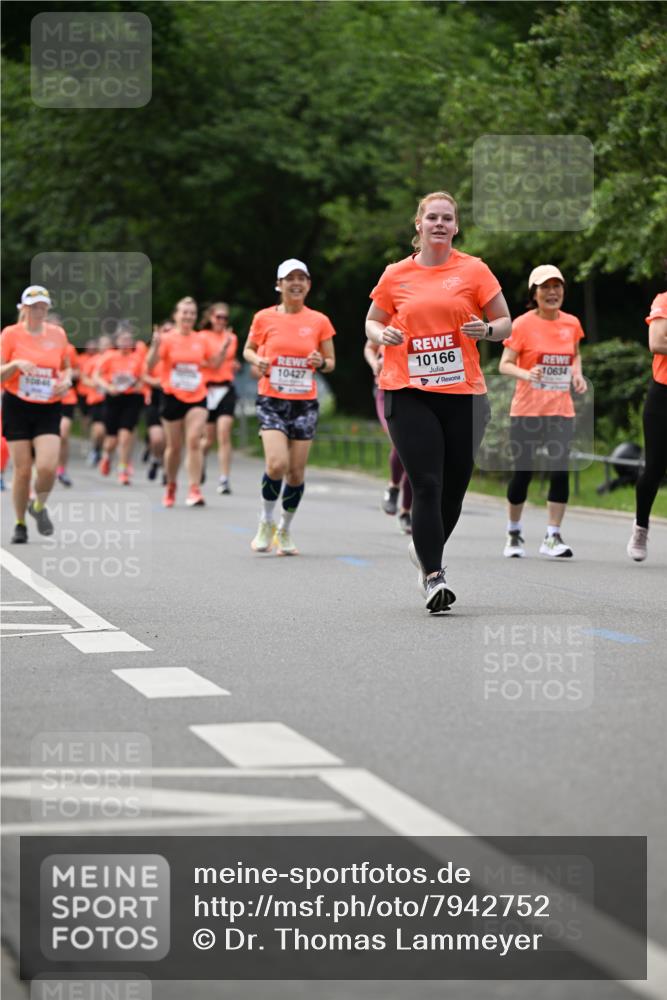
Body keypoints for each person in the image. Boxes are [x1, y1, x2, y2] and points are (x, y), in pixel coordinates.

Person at [365, 191, 511, 612]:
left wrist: (486, 330)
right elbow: (373, 322)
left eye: (448, 218)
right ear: (419, 224)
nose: (440, 224)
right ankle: (434, 576)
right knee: (427, 483)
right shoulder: (396, 274)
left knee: (455, 489)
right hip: (408, 390)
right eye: (432, 217)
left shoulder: (474, 270)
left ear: (456, 226)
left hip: (463, 392)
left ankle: (424, 550)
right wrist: (382, 335)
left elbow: (505, 323)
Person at [243, 258, 336, 555]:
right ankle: (266, 520)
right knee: (276, 465)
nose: (296, 283)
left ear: (308, 284)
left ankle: (284, 528)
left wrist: (321, 363)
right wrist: (258, 360)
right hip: (272, 399)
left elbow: (331, 362)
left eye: (302, 278)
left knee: (296, 473)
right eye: (290, 278)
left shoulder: (319, 321)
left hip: (304, 403)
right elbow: (248, 350)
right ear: (279, 284)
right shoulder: (263, 318)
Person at [498, 265, 587, 559]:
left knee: (560, 469)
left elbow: (574, 357)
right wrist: (528, 374)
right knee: (523, 473)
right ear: (533, 294)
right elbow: (505, 364)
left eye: (557, 286)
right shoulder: (521, 325)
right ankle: (513, 531)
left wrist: (577, 376)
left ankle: (552, 535)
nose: (552, 292)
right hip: (527, 410)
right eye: (545, 287)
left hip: (561, 410)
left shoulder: (572, 323)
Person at [0, 285, 72, 543]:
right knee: (22, 470)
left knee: (47, 467)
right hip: (17, 405)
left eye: (43, 306)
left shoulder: (58, 334)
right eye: (34, 307)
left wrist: (67, 380)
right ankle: (20, 524)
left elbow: (65, 366)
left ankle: (38, 506)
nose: (39, 311)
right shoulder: (10, 334)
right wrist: (16, 364)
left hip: (48, 405)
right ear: (24, 309)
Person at [146, 297, 229, 507]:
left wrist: (224, 348)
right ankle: (171, 485)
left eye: (192, 313)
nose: (188, 316)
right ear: (176, 315)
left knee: (193, 440)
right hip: (172, 395)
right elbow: (149, 366)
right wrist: (155, 346)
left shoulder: (201, 339)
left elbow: (215, 365)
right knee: (174, 447)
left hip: (197, 395)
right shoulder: (166, 338)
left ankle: (194, 489)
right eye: (184, 312)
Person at [627, 286, 667, 561]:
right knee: (655, 468)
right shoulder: (663, 301)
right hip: (663, 396)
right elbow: (657, 342)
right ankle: (641, 526)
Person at [364, 338, 413, 533]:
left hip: (416, 391)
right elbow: (370, 346)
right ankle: (393, 486)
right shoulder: (387, 314)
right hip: (387, 389)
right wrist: (374, 362)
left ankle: (405, 512)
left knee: (415, 450)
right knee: (401, 441)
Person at [94, 325, 147, 484]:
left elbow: (144, 376)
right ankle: (106, 456)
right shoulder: (109, 357)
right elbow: (96, 376)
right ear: (117, 341)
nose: (125, 342)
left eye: (128, 339)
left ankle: (123, 470)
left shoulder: (137, 358)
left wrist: (139, 384)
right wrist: (108, 387)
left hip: (131, 399)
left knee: (125, 437)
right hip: (113, 399)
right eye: (122, 339)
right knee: (111, 440)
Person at [201, 302, 239, 495]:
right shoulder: (202, 337)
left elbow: (228, 361)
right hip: (207, 389)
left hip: (226, 388)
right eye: (218, 317)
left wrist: (234, 363)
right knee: (207, 439)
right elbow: (213, 364)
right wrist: (223, 349)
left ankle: (224, 479)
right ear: (210, 318)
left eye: (225, 317)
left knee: (224, 433)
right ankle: (199, 463)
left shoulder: (232, 337)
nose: (222, 321)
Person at [142, 321, 171, 481]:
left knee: (169, 439)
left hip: (172, 396)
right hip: (155, 396)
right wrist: (155, 344)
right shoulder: (153, 351)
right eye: (164, 331)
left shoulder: (178, 351)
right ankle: (155, 457)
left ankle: (167, 471)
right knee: (157, 439)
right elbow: (144, 373)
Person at [56, 338, 80, 487]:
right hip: (43, 398)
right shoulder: (34, 345)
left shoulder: (69, 348)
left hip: (66, 398)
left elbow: (76, 370)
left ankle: (61, 470)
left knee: (63, 434)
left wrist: (66, 377)